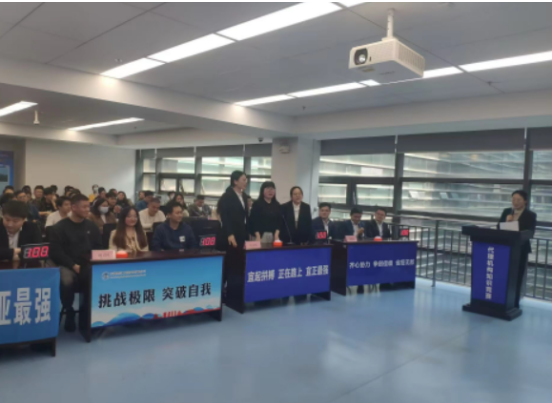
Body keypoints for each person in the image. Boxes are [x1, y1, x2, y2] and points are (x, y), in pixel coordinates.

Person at [50, 194, 102, 332]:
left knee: (101, 277)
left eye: (88, 206)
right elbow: (56, 252)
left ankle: (91, 313)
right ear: (73, 207)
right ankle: (69, 310)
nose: (87, 210)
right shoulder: (59, 227)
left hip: (88, 264)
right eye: (84, 207)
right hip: (68, 264)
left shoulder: (92, 226)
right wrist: (73, 265)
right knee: (66, 280)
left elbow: (98, 247)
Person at [498, 190, 537, 307]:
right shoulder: (506, 211)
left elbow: (530, 233)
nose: (515, 202)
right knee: (503, 275)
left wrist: (513, 225)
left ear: (525, 201)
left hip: (520, 249)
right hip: (505, 248)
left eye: (518, 200)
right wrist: (507, 222)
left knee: (517, 276)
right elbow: (498, 227)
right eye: (513, 199)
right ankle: (500, 299)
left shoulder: (530, 215)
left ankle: (514, 303)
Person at [215, 170, 248, 250]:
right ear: (235, 181)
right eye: (243, 180)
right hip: (230, 234)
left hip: (242, 233)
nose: (246, 182)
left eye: (246, 180)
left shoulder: (244, 196)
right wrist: (230, 234)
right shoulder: (227, 196)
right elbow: (224, 217)